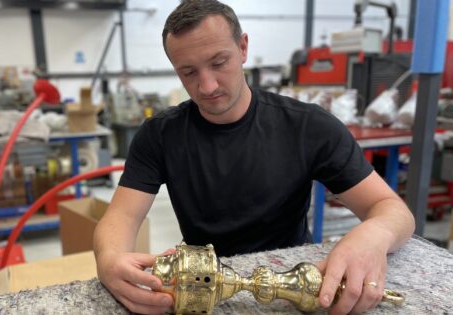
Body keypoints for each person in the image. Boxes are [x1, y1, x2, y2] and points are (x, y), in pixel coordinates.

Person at [94, 1, 415, 314]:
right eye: (189, 72)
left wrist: (372, 235)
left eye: (219, 62)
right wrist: (109, 260)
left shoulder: (308, 127)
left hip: (295, 286)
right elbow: (121, 217)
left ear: (243, 48)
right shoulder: (160, 135)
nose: (207, 85)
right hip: (200, 286)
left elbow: (393, 211)